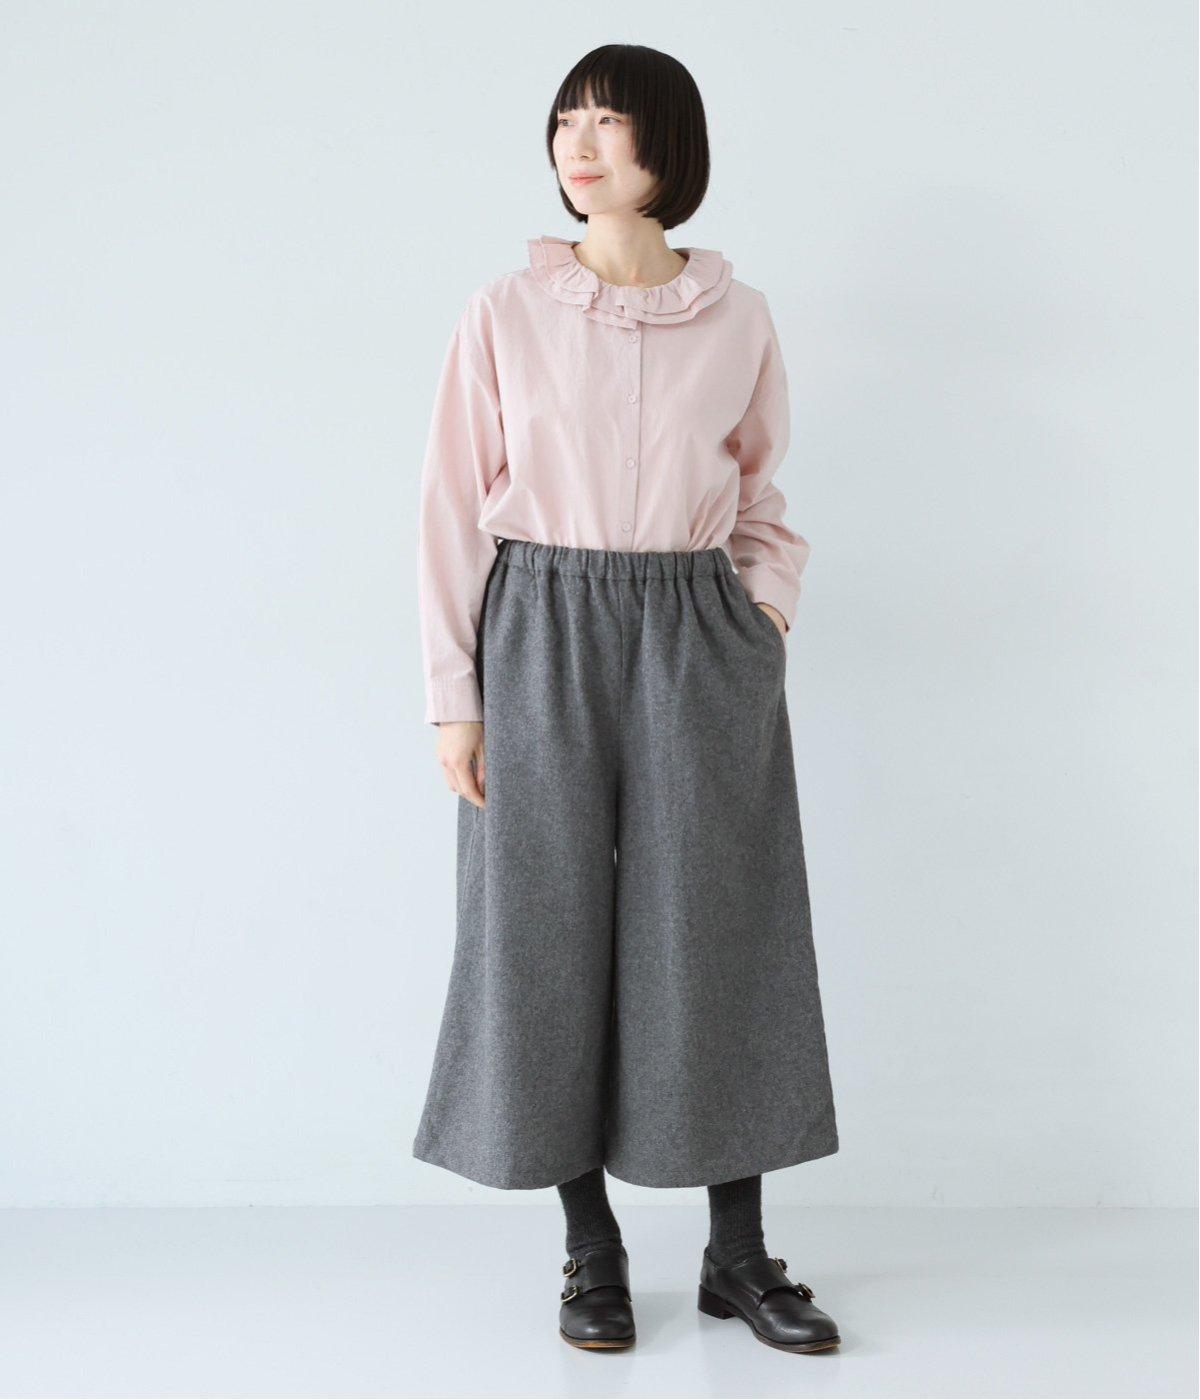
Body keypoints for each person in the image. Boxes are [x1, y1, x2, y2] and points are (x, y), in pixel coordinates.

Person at [414, 43, 841, 1355]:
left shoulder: (738, 316)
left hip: (695, 628)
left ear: (671, 144)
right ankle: (589, 1249)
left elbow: (761, 493)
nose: (580, 145)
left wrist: (761, 615)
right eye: (566, 122)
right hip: (539, 621)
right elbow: (449, 508)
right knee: (542, 929)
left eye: (608, 121)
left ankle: (737, 1254)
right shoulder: (506, 311)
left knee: (718, 925)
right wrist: (454, 696)